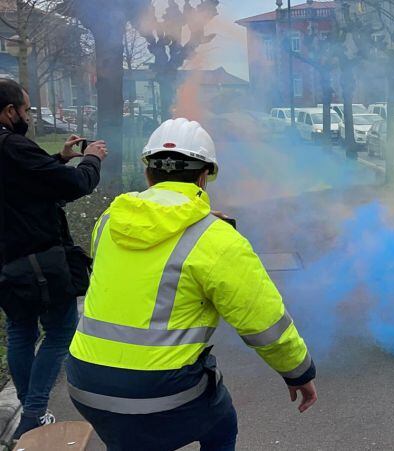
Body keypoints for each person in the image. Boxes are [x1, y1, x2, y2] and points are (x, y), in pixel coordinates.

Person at [66, 118, 317, 450]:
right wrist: (299, 373)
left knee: (129, 436)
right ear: (204, 176)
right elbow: (265, 323)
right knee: (221, 422)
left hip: (84, 384)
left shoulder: (110, 220)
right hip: (162, 393)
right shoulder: (216, 238)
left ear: (147, 174)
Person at [0, 78, 108, 438]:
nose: (28, 116)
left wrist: (59, 158)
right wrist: (91, 159)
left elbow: (24, 178)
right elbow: (74, 185)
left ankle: (32, 414)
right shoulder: (13, 145)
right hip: (39, 259)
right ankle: (32, 415)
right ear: (9, 111)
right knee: (61, 330)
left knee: (20, 330)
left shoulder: (10, 150)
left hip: (6, 260)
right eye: (26, 109)